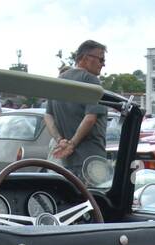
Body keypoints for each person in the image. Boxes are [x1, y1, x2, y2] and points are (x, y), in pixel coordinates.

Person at [47, 40, 109, 181]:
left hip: (67, 163)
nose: (103, 64)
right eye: (101, 59)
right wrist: (72, 143)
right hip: (92, 160)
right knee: (97, 201)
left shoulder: (58, 81)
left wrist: (60, 140)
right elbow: (90, 118)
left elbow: (48, 116)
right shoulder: (91, 81)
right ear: (86, 58)